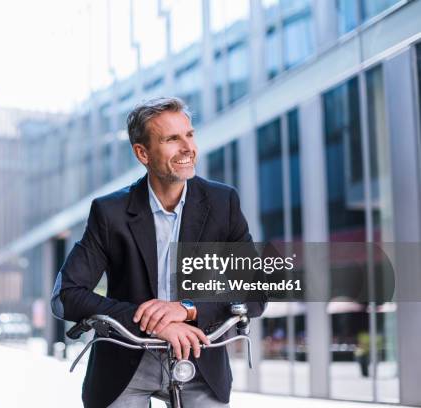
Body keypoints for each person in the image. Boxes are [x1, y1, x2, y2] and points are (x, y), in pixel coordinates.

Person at [51, 97, 266, 407]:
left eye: (189, 135)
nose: (187, 147)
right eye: (172, 139)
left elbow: (255, 292)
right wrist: (155, 322)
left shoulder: (223, 203)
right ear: (143, 153)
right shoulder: (109, 212)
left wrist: (187, 308)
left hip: (200, 360)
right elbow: (66, 295)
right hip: (125, 362)